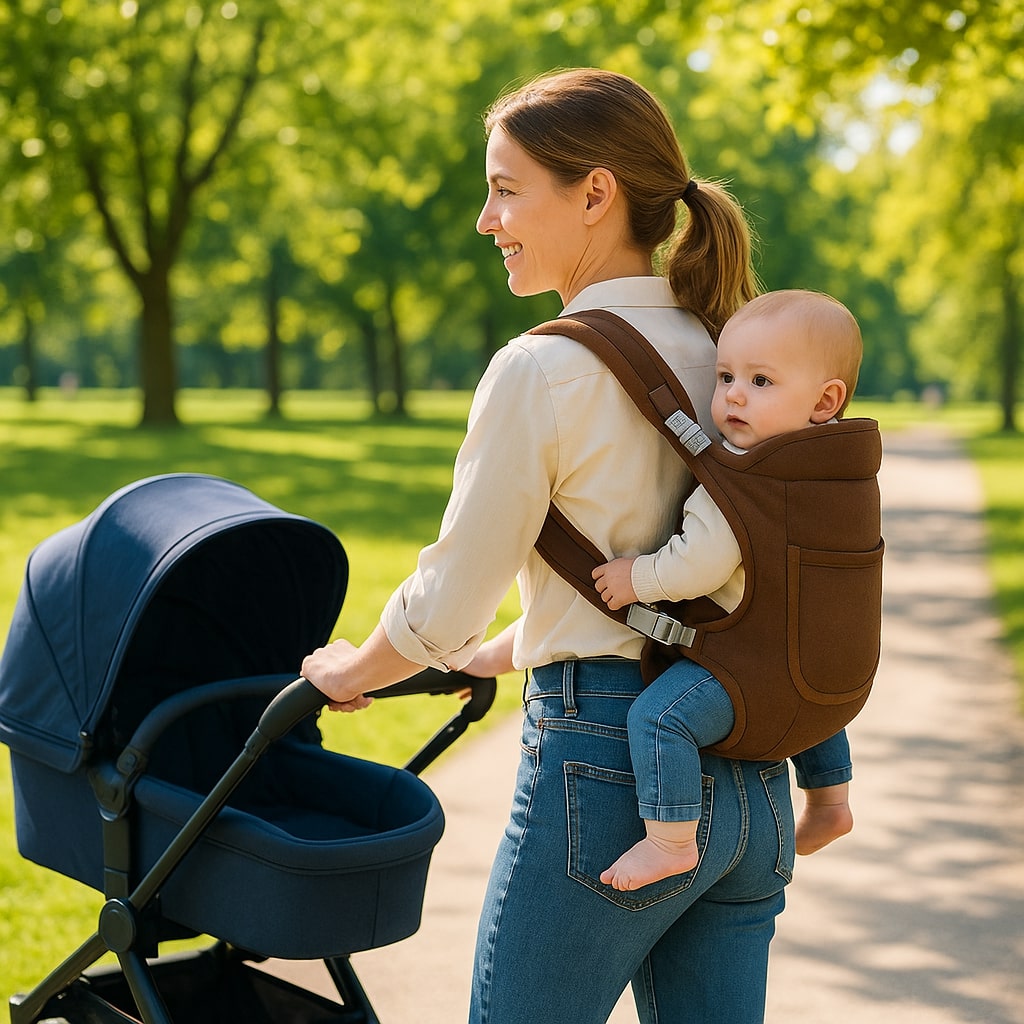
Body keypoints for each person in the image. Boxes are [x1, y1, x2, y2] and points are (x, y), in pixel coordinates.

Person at [301, 68, 823, 1024]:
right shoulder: (741, 354)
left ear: (594, 194)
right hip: (751, 776)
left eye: (505, 189)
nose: (485, 219)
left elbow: (452, 592)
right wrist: (502, 650)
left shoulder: (543, 366)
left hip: (608, 768)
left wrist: (356, 670)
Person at [592, 289, 860, 892]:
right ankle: (830, 803)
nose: (734, 394)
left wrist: (638, 576)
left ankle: (670, 842)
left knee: (658, 718)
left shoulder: (742, 480)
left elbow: (700, 563)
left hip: (752, 673)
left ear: (825, 400)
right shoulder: (841, 472)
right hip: (832, 677)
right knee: (811, 695)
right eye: (725, 376)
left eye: (761, 380)